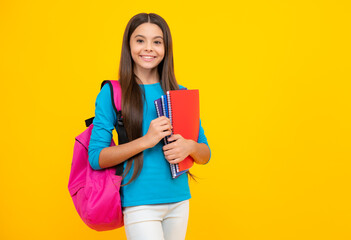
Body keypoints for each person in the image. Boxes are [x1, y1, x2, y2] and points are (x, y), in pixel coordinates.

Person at [88, 12, 211, 240]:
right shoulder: (112, 93)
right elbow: (96, 157)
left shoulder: (180, 94)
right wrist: (147, 140)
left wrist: (189, 147)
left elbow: (205, 154)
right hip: (139, 203)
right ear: (129, 45)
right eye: (140, 40)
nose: (148, 48)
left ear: (166, 48)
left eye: (157, 42)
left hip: (179, 201)